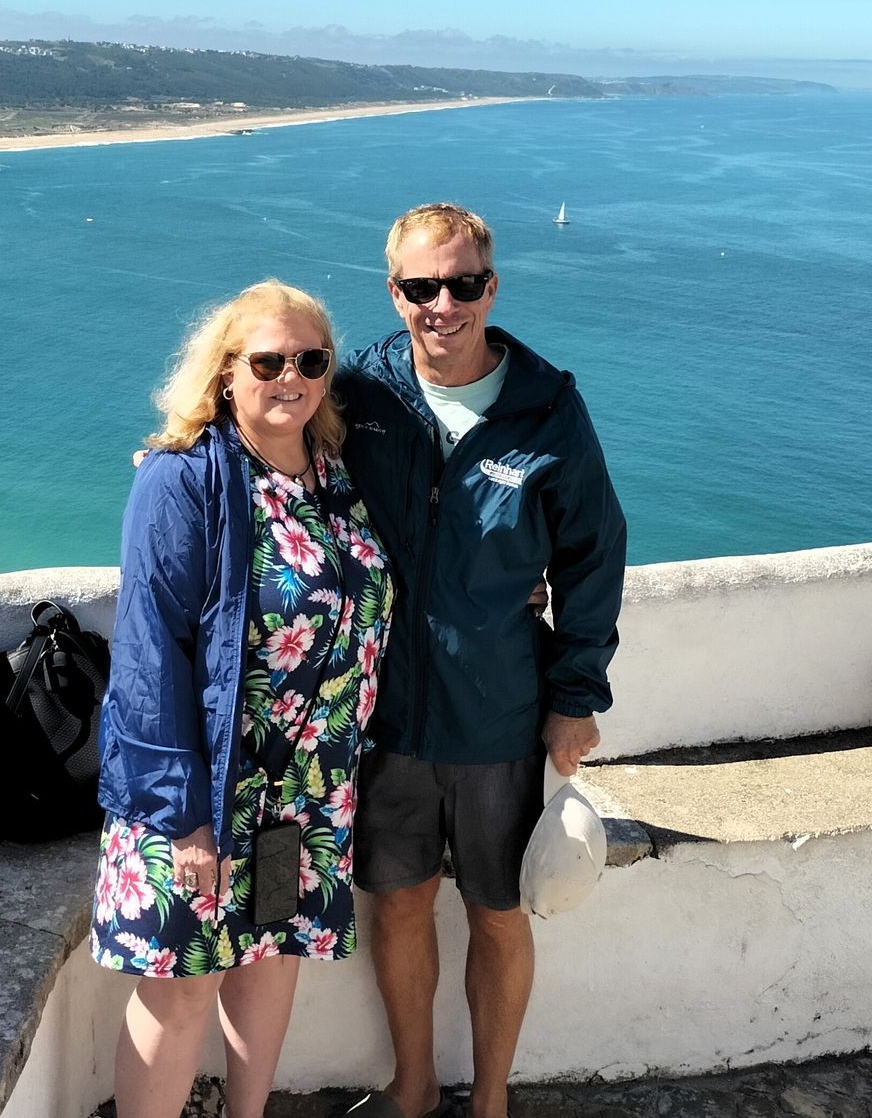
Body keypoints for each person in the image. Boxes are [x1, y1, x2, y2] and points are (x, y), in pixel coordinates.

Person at [336, 203, 627, 1118]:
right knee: (397, 900)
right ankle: (414, 1086)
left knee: (499, 909)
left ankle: (492, 1099)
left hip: (499, 711)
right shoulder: (362, 396)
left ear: (491, 287)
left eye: (463, 284)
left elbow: (594, 554)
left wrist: (576, 696)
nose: (444, 304)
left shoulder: (547, 406)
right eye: (423, 287)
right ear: (396, 292)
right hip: (383, 712)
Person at [93, 280, 396, 1118]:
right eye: (268, 360)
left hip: (305, 793)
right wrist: (180, 812)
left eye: (310, 359)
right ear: (227, 371)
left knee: (269, 954)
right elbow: (151, 650)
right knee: (182, 984)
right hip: (207, 791)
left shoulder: (335, 473)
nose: (289, 376)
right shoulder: (183, 479)